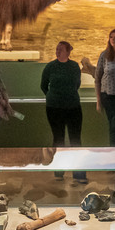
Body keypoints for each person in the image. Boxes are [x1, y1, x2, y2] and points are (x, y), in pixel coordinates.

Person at [40, 41, 86, 182]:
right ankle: (59, 172)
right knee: (58, 139)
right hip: (54, 108)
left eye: (60, 49)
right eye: (57, 49)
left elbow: (76, 84)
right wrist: (53, 97)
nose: (57, 51)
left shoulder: (74, 66)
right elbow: (43, 85)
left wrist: (67, 95)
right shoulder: (50, 67)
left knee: (75, 140)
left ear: (68, 51)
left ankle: (79, 174)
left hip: (73, 107)